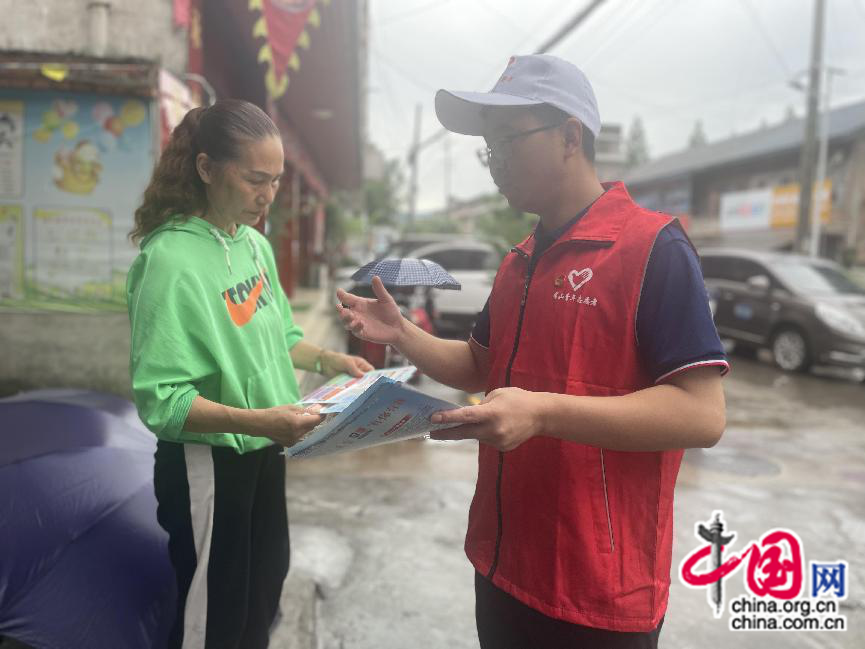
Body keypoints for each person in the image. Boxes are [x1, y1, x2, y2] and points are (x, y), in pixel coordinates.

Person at [337, 55, 729, 649]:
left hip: (598, 591)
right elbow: (479, 366)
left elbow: (701, 413)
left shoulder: (654, 249)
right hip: (503, 562)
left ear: (570, 136)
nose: (495, 162)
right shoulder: (519, 261)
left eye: (507, 142)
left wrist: (543, 413)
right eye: (488, 149)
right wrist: (402, 334)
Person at [127, 99, 373, 649]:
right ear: (206, 168)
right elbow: (163, 401)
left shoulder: (255, 244)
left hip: (265, 449)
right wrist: (260, 421)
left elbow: (279, 336)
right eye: (255, 179)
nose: (268, 196)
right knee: (215, 615)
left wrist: (332, 361)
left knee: (264, 586)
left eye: (277, 181)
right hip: (209, 462)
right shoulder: (168, 262)